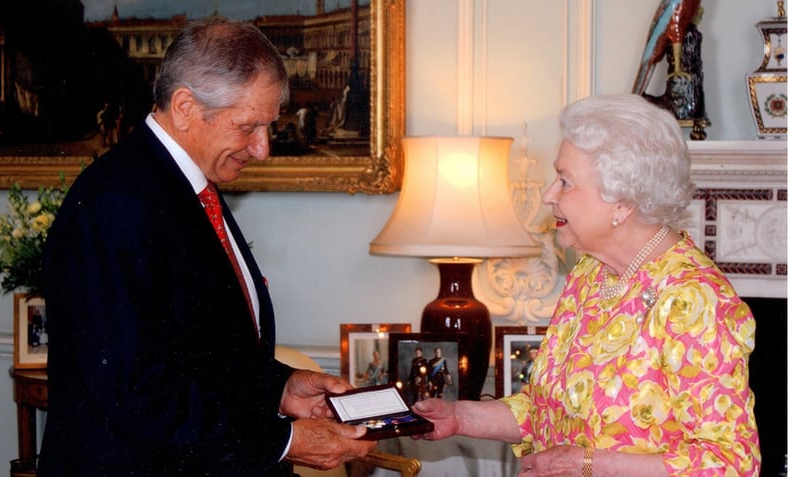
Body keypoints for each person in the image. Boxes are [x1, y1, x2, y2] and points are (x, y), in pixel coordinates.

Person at [39, 19, 374, 476]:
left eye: (268, 127)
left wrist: (281, 387)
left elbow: (198, 351)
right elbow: (132, 391)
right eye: (248, 127)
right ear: (184, 108)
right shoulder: (116, 203)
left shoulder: (187, 186)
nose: (263, 149)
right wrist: (284, 439)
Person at [412, 94, 760, 476]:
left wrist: (590, 465)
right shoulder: (591, 274)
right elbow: (548, 410)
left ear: (622, 203)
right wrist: (459, 416)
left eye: (565, 181)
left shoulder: (695, 300)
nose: (548, 195)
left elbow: (731, 465)